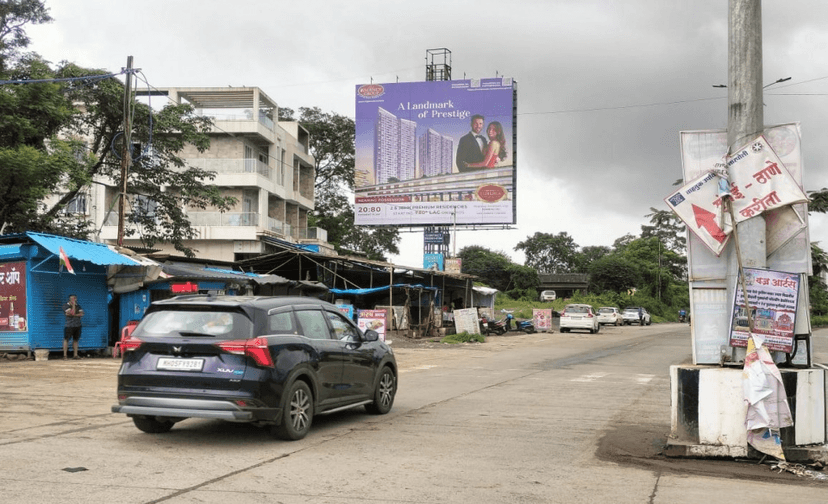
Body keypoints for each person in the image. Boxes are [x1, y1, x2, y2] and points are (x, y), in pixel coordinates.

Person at [63, 294, 84, 359]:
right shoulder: (66, 306)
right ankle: (65, 355)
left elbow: (81, 314)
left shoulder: (78, 306)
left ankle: (75, 355)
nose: (74, 300)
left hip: (77, 325)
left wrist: (74, 314)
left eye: (75, 299)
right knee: (66, 340)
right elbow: (71, 313)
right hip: (69, 325)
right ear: (69, 299)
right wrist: (73, 306)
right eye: (72, 299)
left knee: (76, 340)